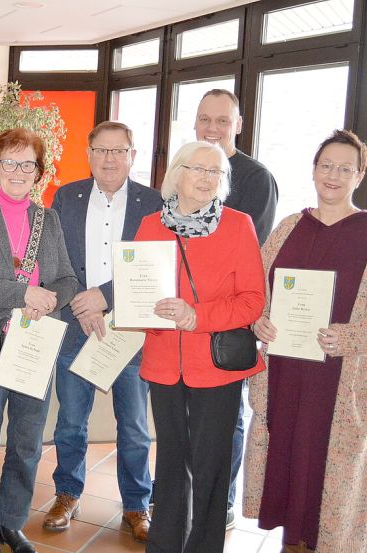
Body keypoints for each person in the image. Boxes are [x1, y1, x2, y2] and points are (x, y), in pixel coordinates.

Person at [245, 130, 367, 553]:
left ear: (360, 175)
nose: (333, 175)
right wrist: (259, 321)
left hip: (342, 381)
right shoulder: (289, 227)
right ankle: (293, 543)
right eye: (326, 166)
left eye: (345, 168)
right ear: (314, 170)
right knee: (288, 465)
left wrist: (353, 336)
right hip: (286, 375)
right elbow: (255, 291)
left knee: (328, 476)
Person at [134, 140, 266, 553]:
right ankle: (164, 545)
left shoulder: (239, 225)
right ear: (177, 173)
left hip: (216, 366)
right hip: (163, 365)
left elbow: (252, 300)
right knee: (172, 463)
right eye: (199, 169)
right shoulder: (150, 225)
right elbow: (138, 297)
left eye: (217, 172)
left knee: (210, 467)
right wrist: (145, 314)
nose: (208, 178)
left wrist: (198, 316)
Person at [0, 128, 78, 553]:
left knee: (27, 444)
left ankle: (10, 521)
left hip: (34, 347)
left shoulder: (49, 220)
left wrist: (50, 299)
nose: (20, 171)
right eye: (10, 162)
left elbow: (67, 279)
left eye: (29, 164)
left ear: (39, 172)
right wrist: (22, 293)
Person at [47, 121, 162, 542]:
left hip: (129, 329)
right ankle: (66, 494)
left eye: (119, 151)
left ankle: (136, 504)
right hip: (77, 326)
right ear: (89, 153)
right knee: (70, 422)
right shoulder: (67, 197)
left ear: (133, 155)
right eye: (101, 150)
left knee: (132, 424)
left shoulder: (154, 202)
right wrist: (82, 301)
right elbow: (54, 260)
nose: (110, 159)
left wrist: (104, 297)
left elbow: (153, 266)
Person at [194, 88, 279, 527]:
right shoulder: (187, 169)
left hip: (230, 321)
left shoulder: (255, 179)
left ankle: (221, 503)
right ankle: (186, 496)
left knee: (227, 417)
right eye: (205, 119)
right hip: (186, 320)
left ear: (239, 125)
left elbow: (248, 257)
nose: (212, 128)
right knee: (189, 419)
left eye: (222, 120)